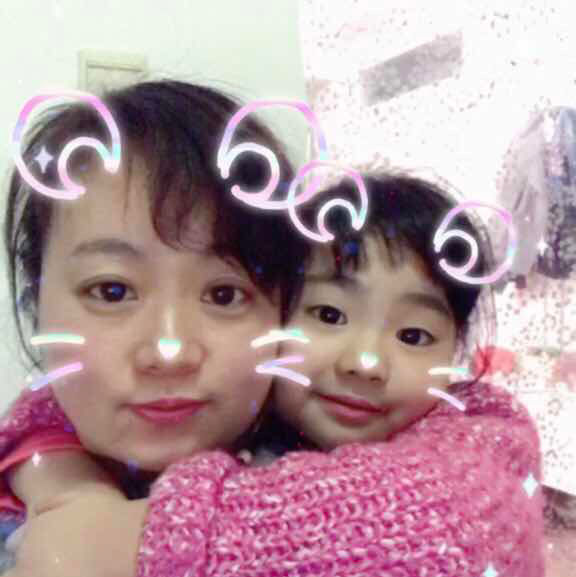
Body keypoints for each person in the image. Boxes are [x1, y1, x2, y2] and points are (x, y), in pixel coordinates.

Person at [5, 174, 545, 576]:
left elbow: (447, 519)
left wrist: (132, 540)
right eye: (328, 314)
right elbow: (48, 406)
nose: (365, 363)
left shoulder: (479, 428)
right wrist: (66, 487)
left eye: (414, 336)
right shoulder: (247, 404)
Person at [0, 79, 310, 569]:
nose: (170, 352)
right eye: (112, 291)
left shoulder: (356, 475)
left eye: (224, 294)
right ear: (34, 303)